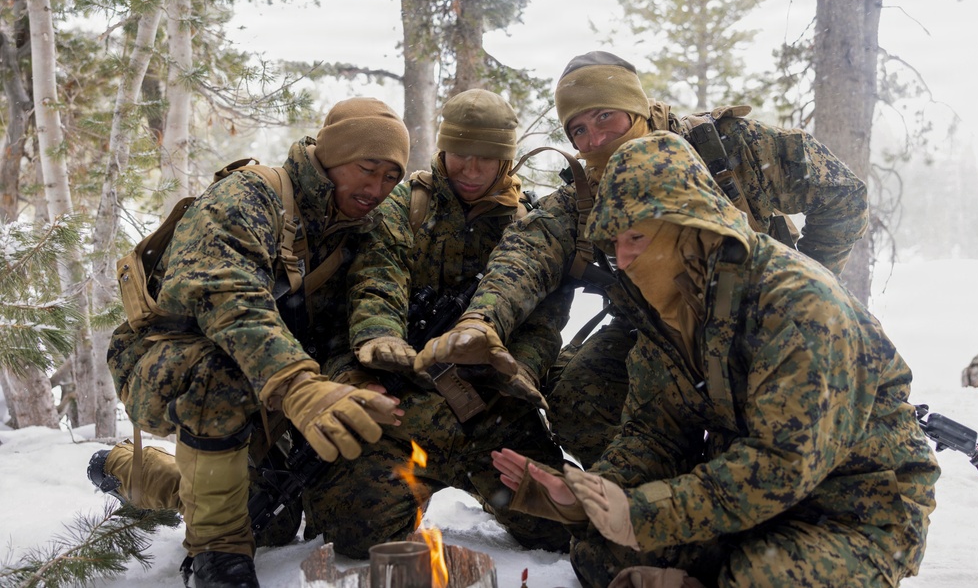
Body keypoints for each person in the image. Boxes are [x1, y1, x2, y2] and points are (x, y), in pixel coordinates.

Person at [491, 133, 940, 587]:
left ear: (691, 226)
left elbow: (782, 464)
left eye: (637, 237)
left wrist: (642, 514)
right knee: (601, 551)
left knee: (761, 578)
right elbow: (654, 431)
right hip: (753, 506)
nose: (622, 259)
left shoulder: (800, 305)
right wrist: (586, 498)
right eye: (614, 243)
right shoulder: (669, 310)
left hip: (855, 511)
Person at [415, 51, 870, 468]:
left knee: (759, 438)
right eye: (578, 130)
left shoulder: (727, 148)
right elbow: (524, 256)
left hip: (755, 320)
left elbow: (842, 195)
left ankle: (721, 491)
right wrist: (480, 321)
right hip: (652, 331)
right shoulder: (581, 198)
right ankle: (649, 489)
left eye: (605, 117)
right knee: (576, 396)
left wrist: (810, 283)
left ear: (636, 108)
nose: (595, 138)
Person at [89, 97, 411, 588]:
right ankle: (217, 554)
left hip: (266, 383)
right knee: (216, 373)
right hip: (172, 363)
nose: (376, 188)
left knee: (266, 514)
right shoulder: (251, 194)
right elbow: (226, 294)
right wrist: (301, 388)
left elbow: (352, 320)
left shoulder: (362, 230)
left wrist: (353, 381)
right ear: (331, 155)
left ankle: (129, 470)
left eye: (391, 177)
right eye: (367, 168)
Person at [299, 88, 575, 558]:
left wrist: (518, 369)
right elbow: (376, 280)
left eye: (485, 159)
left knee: (559, 531)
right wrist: (378, 339)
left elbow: (545, 322)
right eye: (460, 154)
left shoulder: (531, 224)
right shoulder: (402, 206)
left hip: (493, 413)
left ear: (505, 161)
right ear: (442, 148)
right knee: (353, 533)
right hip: (406, 410)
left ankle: (490, 491)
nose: (470, 170)